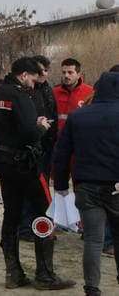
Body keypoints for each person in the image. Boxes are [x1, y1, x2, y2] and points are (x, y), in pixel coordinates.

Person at [0, 57, 74, 290]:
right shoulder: (20, 95)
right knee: (45, 212)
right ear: (24, 75)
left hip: (2, 160)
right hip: (25, 163)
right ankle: (45, 275)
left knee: (11, 213)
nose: (35, 84)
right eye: (33, 79)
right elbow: (28, 132)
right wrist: (41, 127)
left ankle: (13, 273)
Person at [52, 70, 119, 296]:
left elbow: (61, 153)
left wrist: (60, 184)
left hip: (86, 185)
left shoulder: (78, 116)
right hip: (117, 186)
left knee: (93, 240)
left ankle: (92, 288)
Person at [18, 55, 59, 242]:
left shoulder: (47, 90)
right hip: (32, 147)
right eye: (39, 71)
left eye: (44, 70)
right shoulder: (27, 92)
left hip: (47, 146)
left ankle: (41, 225)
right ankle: (27, 227)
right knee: (30, 190)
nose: (42, 74)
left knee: (42, 190)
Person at [53, 58, 94, 132]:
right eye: (64, 72)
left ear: (78, 75)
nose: (66, 75)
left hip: (80, 137)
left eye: (70, 72)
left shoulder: (90, 92)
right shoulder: (54, 92)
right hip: (58, 139)